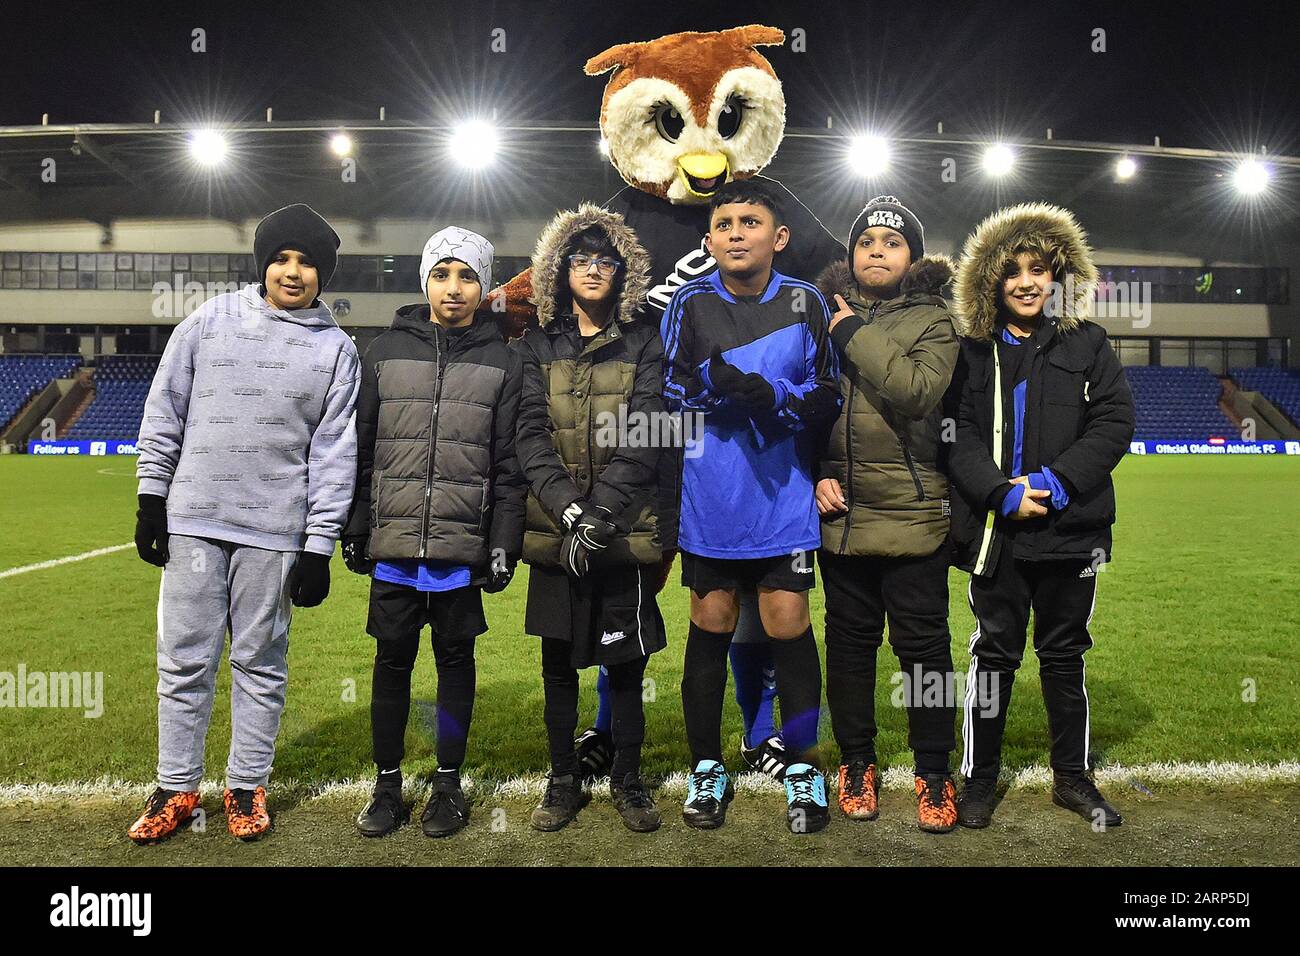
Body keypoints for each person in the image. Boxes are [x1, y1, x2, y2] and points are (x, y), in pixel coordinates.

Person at [129, 203, 358, 843]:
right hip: (195, 522)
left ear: (324, 274)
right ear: (263, 265)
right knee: (183, 662)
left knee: (260, 663)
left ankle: (245, 785)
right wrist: (152, 499)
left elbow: (334, 454)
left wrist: (318, 547)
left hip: (275, 535)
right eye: (282, 258)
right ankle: (175, 787)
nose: (293, 272)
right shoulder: (209, 321)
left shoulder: (337, 350)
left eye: (308, 262)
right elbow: (164, 409)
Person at [947, 202, 1135, 829]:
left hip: (1070, 530)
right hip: (998, 532)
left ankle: (1072, 778)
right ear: (991, 282)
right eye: (1013, 272)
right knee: (994, 655)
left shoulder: (1088, 341)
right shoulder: (971, 349)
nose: (1028, 282)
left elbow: (1115, 423)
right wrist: (999, 492)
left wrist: (1054, 483)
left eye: (1040, 269)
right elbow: (956, 432)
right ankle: (978, 780)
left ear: (1060, 277)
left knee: (1063, 655)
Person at [661, 179, 841, 833]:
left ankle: (803, 774)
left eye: (750, 221)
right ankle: (706, 772)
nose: (736, 232)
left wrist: (777, 398)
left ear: (779, 237)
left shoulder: (807, 300)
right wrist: (718, 385)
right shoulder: (688, 302)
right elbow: (669, 390)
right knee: (709, 626)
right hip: (711, 501)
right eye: (725, 223)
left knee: (789, 624)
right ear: (709, 240)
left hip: (783, 499)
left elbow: (829, 392)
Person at [343, 227, 526, 839]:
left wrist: (504, 539)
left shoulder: (504, 358)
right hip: (393, 545)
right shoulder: (384, 349)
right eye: (443, 274)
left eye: (468, 275)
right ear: (425, 281)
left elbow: (508, 463)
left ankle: (448, 785)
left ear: (484, 285)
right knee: (391, 663)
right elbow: (363, 447)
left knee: (455, 663)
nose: (454, 287)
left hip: (460, 548)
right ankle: (387, 785)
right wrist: (356, 525)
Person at [513, 204, 673, 833]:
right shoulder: (535, 345)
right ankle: (562, 781)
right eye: (581, 259)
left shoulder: (645, 340)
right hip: (558, 535)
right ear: (560, 269)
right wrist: (569, 509)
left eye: (608, 261)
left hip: (623, 534)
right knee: (557, 665)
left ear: (625, 273)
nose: (594, 270)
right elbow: (528, 435)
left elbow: (648, 432)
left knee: (626, 663)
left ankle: (628, 780)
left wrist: (601, 511)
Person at [815, 196, 962, 832]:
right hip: (842, 519)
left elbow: (916, 391)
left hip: (914, 517)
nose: (877, 250)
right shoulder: (816, 312)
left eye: (893, 242)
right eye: (866, 240)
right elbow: (808, 407)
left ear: (913, 257)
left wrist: (850, 332)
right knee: (848, 650)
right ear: (851, 253)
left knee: (925, 652)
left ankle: (934, 772)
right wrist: (814, 472)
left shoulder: (937, 320)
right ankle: (857, 765)